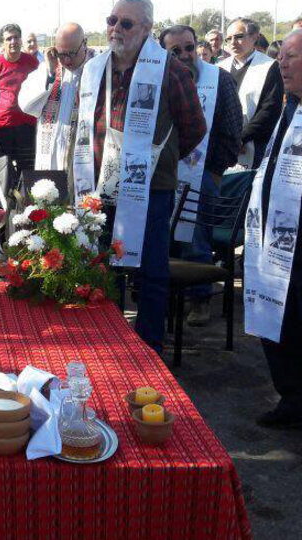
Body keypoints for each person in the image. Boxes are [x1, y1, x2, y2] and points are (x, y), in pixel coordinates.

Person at [72, 0, 206, 353]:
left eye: (126, 24)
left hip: (151, 189)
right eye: (111, 20)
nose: (116, 28)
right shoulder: (94, 69)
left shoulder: (170, 70)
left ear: (147, 29)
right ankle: (107, 342)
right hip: (100, 187)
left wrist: (158, 157)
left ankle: (148, 348)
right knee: (102, 268)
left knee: (151, 273)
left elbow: (193, 127)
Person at [160, 25, 243, 326]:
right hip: (165, 175)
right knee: (164, 240)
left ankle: (199, 300)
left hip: (203, 174)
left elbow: (233, 131)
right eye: (175, 51)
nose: (184, 55)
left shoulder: (219, 79)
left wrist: (212, 171)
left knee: (196, 240)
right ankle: (168, 299)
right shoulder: (158, 77)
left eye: (189, 48)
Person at [243, 30, 302, 429]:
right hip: (272, 234)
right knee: (275, 319)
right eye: (281, 55)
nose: (282, 63)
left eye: (292, 56)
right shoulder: (289, 107)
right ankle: (292, 398)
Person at [19, 22, 90, 186]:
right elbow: (26, 105)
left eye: (71, 53)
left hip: (80, 159)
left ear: (84, 43)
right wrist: (50, 74)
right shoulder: (49, 69)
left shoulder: (96, 69)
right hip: (49, 158)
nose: (66, 60)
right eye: (61, 54)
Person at [218, 17, 284, 170]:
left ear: (255, 37)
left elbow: (270, 109)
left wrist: (241, 138)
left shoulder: (270, 66)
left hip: (253, 143)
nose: (233, 42)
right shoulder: (220, 67)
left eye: (239, 37)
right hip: (221, 144)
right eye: (228, 39)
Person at [0, 23, 40, 175]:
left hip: (27, 126)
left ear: (21, 40)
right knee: (2, 175)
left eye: (16, 37)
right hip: (1, 127)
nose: (13, 42)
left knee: (27, 173)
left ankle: (25, 200)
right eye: (8, 38)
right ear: (3, 43)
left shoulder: (33, 63)